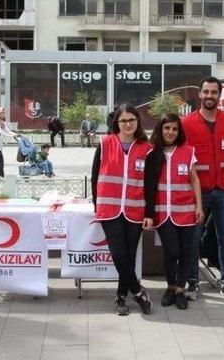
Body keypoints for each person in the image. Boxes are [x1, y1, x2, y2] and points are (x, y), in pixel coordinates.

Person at [181, 77, 224, 301]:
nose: (209, 96)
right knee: (194, 238)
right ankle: (193, 283)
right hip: (198, 192)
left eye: (214, 92)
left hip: (223, 189)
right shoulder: (187, 123)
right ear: (200, 94)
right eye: (206, 92)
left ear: (219, 95)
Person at [91, 104, 154, 316]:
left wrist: (149, 213)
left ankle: (120, 297)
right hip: (109, 208)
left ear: (138, 122)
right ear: (116, 123)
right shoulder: (105, 143)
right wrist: (96, 204)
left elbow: (151, 183)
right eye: (123, 121)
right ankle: (137, 291)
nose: (127, 124)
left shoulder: (147, 148)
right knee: (118, 254)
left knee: (128, 256)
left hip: (135, 209)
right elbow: (94, 176)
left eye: (131, 120)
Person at [145, 114, 204, 310]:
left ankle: (179, 289)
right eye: (167, 128)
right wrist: (149, 212)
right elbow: (148, 185)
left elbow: (195, 179)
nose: (170, 132)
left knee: (186, 251)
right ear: (160, 130)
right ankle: (170, 285)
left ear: (179, 132)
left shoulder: (188, 151)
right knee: (172, 251)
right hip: (163, 213)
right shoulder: (152, 154)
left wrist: (199, 206)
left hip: (186, 212)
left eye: (174, 129)